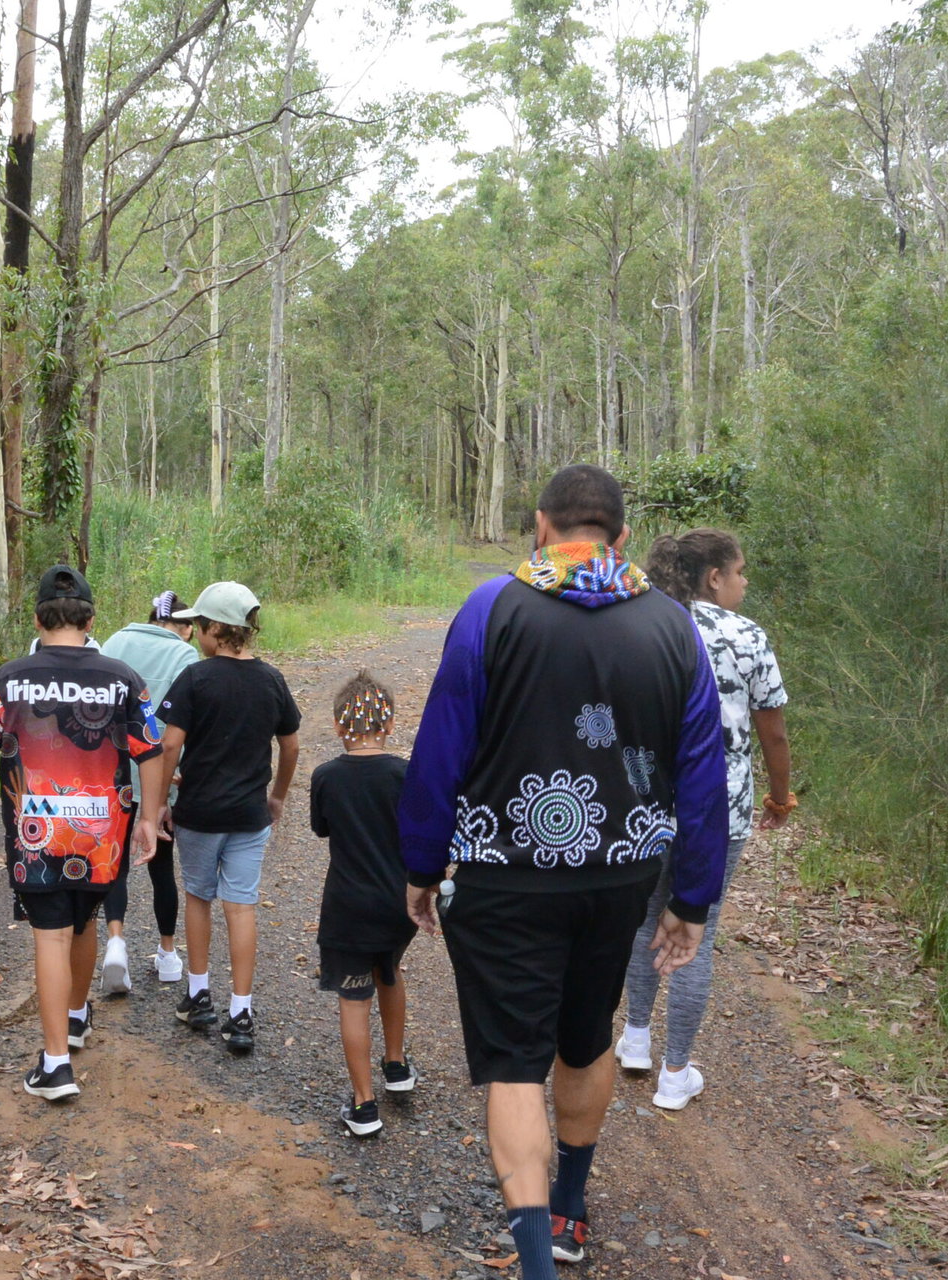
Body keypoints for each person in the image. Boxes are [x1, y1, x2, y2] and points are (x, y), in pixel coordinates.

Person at [399, 465, 729, 1278]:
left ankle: (536, 1258)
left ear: (542, 526)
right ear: (620, 536)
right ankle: (570, 1211)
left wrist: (422, 860)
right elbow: (702, 769)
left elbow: (441, 748)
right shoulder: (673, 626)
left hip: (506, 875)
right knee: (584, 1042)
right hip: (617, 881)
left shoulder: (490, 609)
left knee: (515, 1064)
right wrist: (692, 895)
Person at [0, 565, 165, 1102]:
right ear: (91, 619)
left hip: (37, 830)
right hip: (104, 832)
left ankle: (55, 1065)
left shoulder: (7, 678)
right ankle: (74, 1018)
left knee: (49, 932)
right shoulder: (123, 678)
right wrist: (148, 816)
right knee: (84, 918)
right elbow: (151, 748)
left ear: (37, 618)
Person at [621, 529, 793, 1110]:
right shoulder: (747, 637)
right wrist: (780, 795)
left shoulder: (647, 623)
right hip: (720, 808)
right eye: (740, 571)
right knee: (698, 931)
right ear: (714, 577)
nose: (745, 582)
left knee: (648, 921)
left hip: (648, 802)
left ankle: (635, 1040)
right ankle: (675, 1074)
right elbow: (772, 729)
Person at [150, 581, 301, 1054]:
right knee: (242, 904)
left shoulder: (196, 679)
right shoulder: (272, 679)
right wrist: (276, 796)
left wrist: (156, 802)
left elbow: (170, 743)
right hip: (249, 813)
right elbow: (291, 744)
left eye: (198, 626)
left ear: (217, 628)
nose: (194, 634)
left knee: (198, 896)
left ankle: (198, 996)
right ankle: (241, 1011)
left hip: (198, 812)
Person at [309, 670, 419, 1138]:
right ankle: (396, 1066)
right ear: (389, 724)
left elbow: (321, 828)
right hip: (397, 907)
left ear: (338, 726)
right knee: (390, 973)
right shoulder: (404, 774)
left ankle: (364, 1104)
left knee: (354, 998)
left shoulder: (327, 777)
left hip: (347, 908)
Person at [98, 591, 201, 992]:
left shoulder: (115, 644)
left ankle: (116, 944)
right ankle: (168, 953)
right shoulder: (185, 657)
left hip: (114, 777)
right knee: (162, 871)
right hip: (161, 781)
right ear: (187, 627)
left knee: (114, 865)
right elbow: (181, 730)